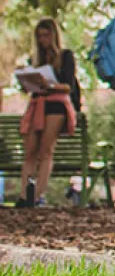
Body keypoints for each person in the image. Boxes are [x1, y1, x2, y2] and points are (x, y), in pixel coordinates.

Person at [17, 19, 80, 208]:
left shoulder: (65, 56)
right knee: (30, 151)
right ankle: (23, 195)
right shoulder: (34, 59)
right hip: (37, 103)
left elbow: (69, 86)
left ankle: (37, 196)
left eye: (46, 35)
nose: (43, 40)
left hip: (56, 105)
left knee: (45, 150)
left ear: (54, 35)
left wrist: (50, 85)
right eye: (39, 36)